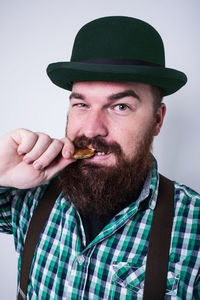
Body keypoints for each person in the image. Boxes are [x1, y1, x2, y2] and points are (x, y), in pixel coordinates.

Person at [0, 16, 199, 299]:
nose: (92, 129)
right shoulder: (28, 193)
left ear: (157, 119)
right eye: (81, 104)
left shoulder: (195, 226)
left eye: (120, 106)